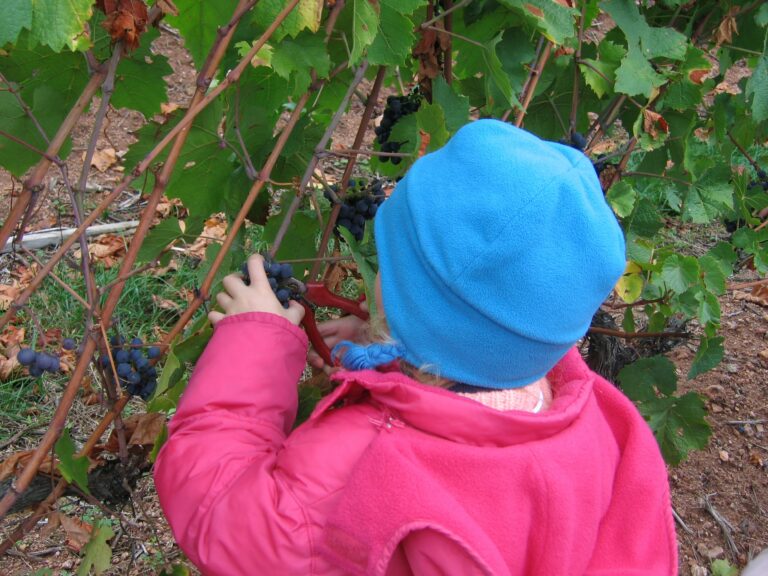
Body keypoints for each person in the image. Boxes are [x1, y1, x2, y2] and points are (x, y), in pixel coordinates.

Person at [154, 120, 678, 575]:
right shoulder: (577, 417)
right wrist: (384, 343)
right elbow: (469, 344)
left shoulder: (363, 463)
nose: (376, 273)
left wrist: (254, 345)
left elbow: (223, 519)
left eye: (388, 265)